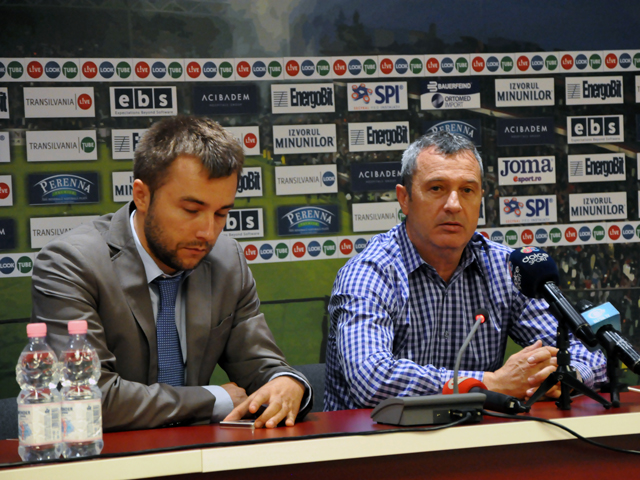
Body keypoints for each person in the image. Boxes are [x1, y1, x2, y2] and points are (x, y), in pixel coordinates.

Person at [32, 116, 312, 431]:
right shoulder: (70, 263)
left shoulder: (226, 260)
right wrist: (214, 398)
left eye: (222, 213)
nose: (208, 232)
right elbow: (85, 398)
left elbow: (262, 367)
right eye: (191, 210)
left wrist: (287, 382)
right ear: (142, 195)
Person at [325, 130, 607, 411]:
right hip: (375, 447)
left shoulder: (506, 268)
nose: (454, 205)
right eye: (436, 188)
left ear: (480, 198)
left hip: (475, 443)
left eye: (467, 190)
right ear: (404, 199)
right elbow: (372, 380)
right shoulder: (369, 273)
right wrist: (489, 383)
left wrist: (563, 377)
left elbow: (591, 353)